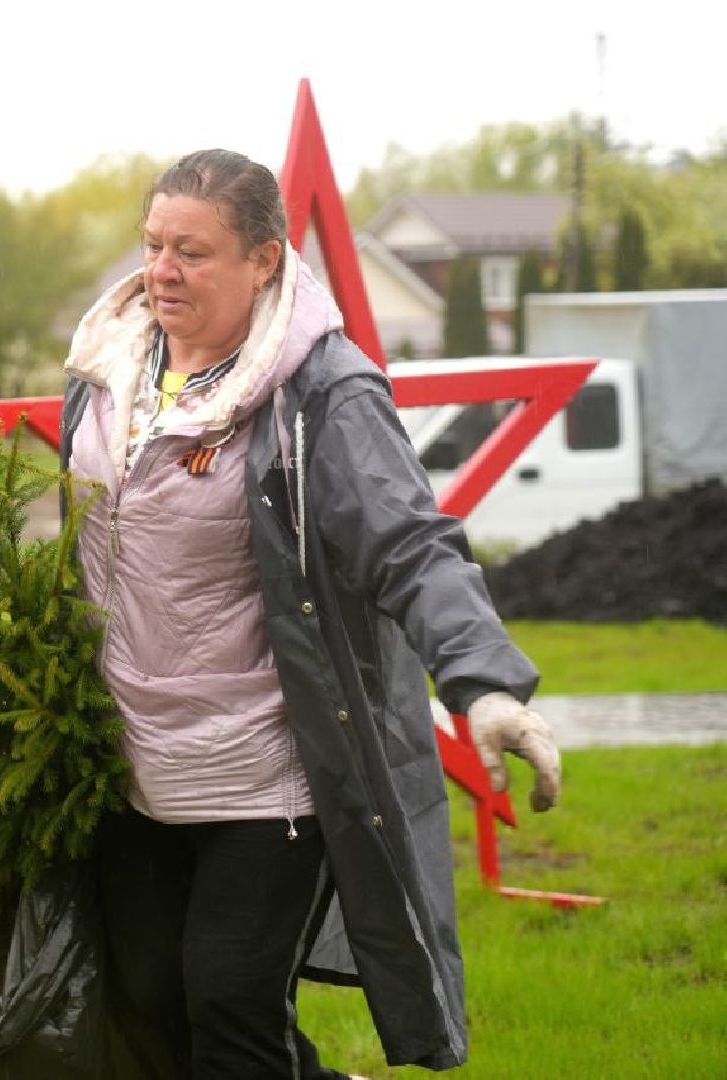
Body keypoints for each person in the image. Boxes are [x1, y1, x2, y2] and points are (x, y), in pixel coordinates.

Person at [59, 149, 562, 1078]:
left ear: (263, 260)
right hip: (129, 759)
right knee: (150, 1004)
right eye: (153, 245)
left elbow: (410, 542)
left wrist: (483, 681)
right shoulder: (105, 367)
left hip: (266, 768)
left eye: (193, 252)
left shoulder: (316, 393)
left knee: (230, 1003)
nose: (161, 270)